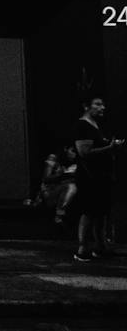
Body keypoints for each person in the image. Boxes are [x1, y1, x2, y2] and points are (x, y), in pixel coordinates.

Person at [70, 95, 120, 262]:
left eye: (103, 104)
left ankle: (100, 246)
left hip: (100, 176)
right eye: (98, 104)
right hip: (89, 177)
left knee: (101, 212)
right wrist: (109, 148)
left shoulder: (95, 125)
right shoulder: (82, 125)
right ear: (86, 106)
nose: (102, 107)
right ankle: (82, 249)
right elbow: (84, 152)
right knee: (89, 211)